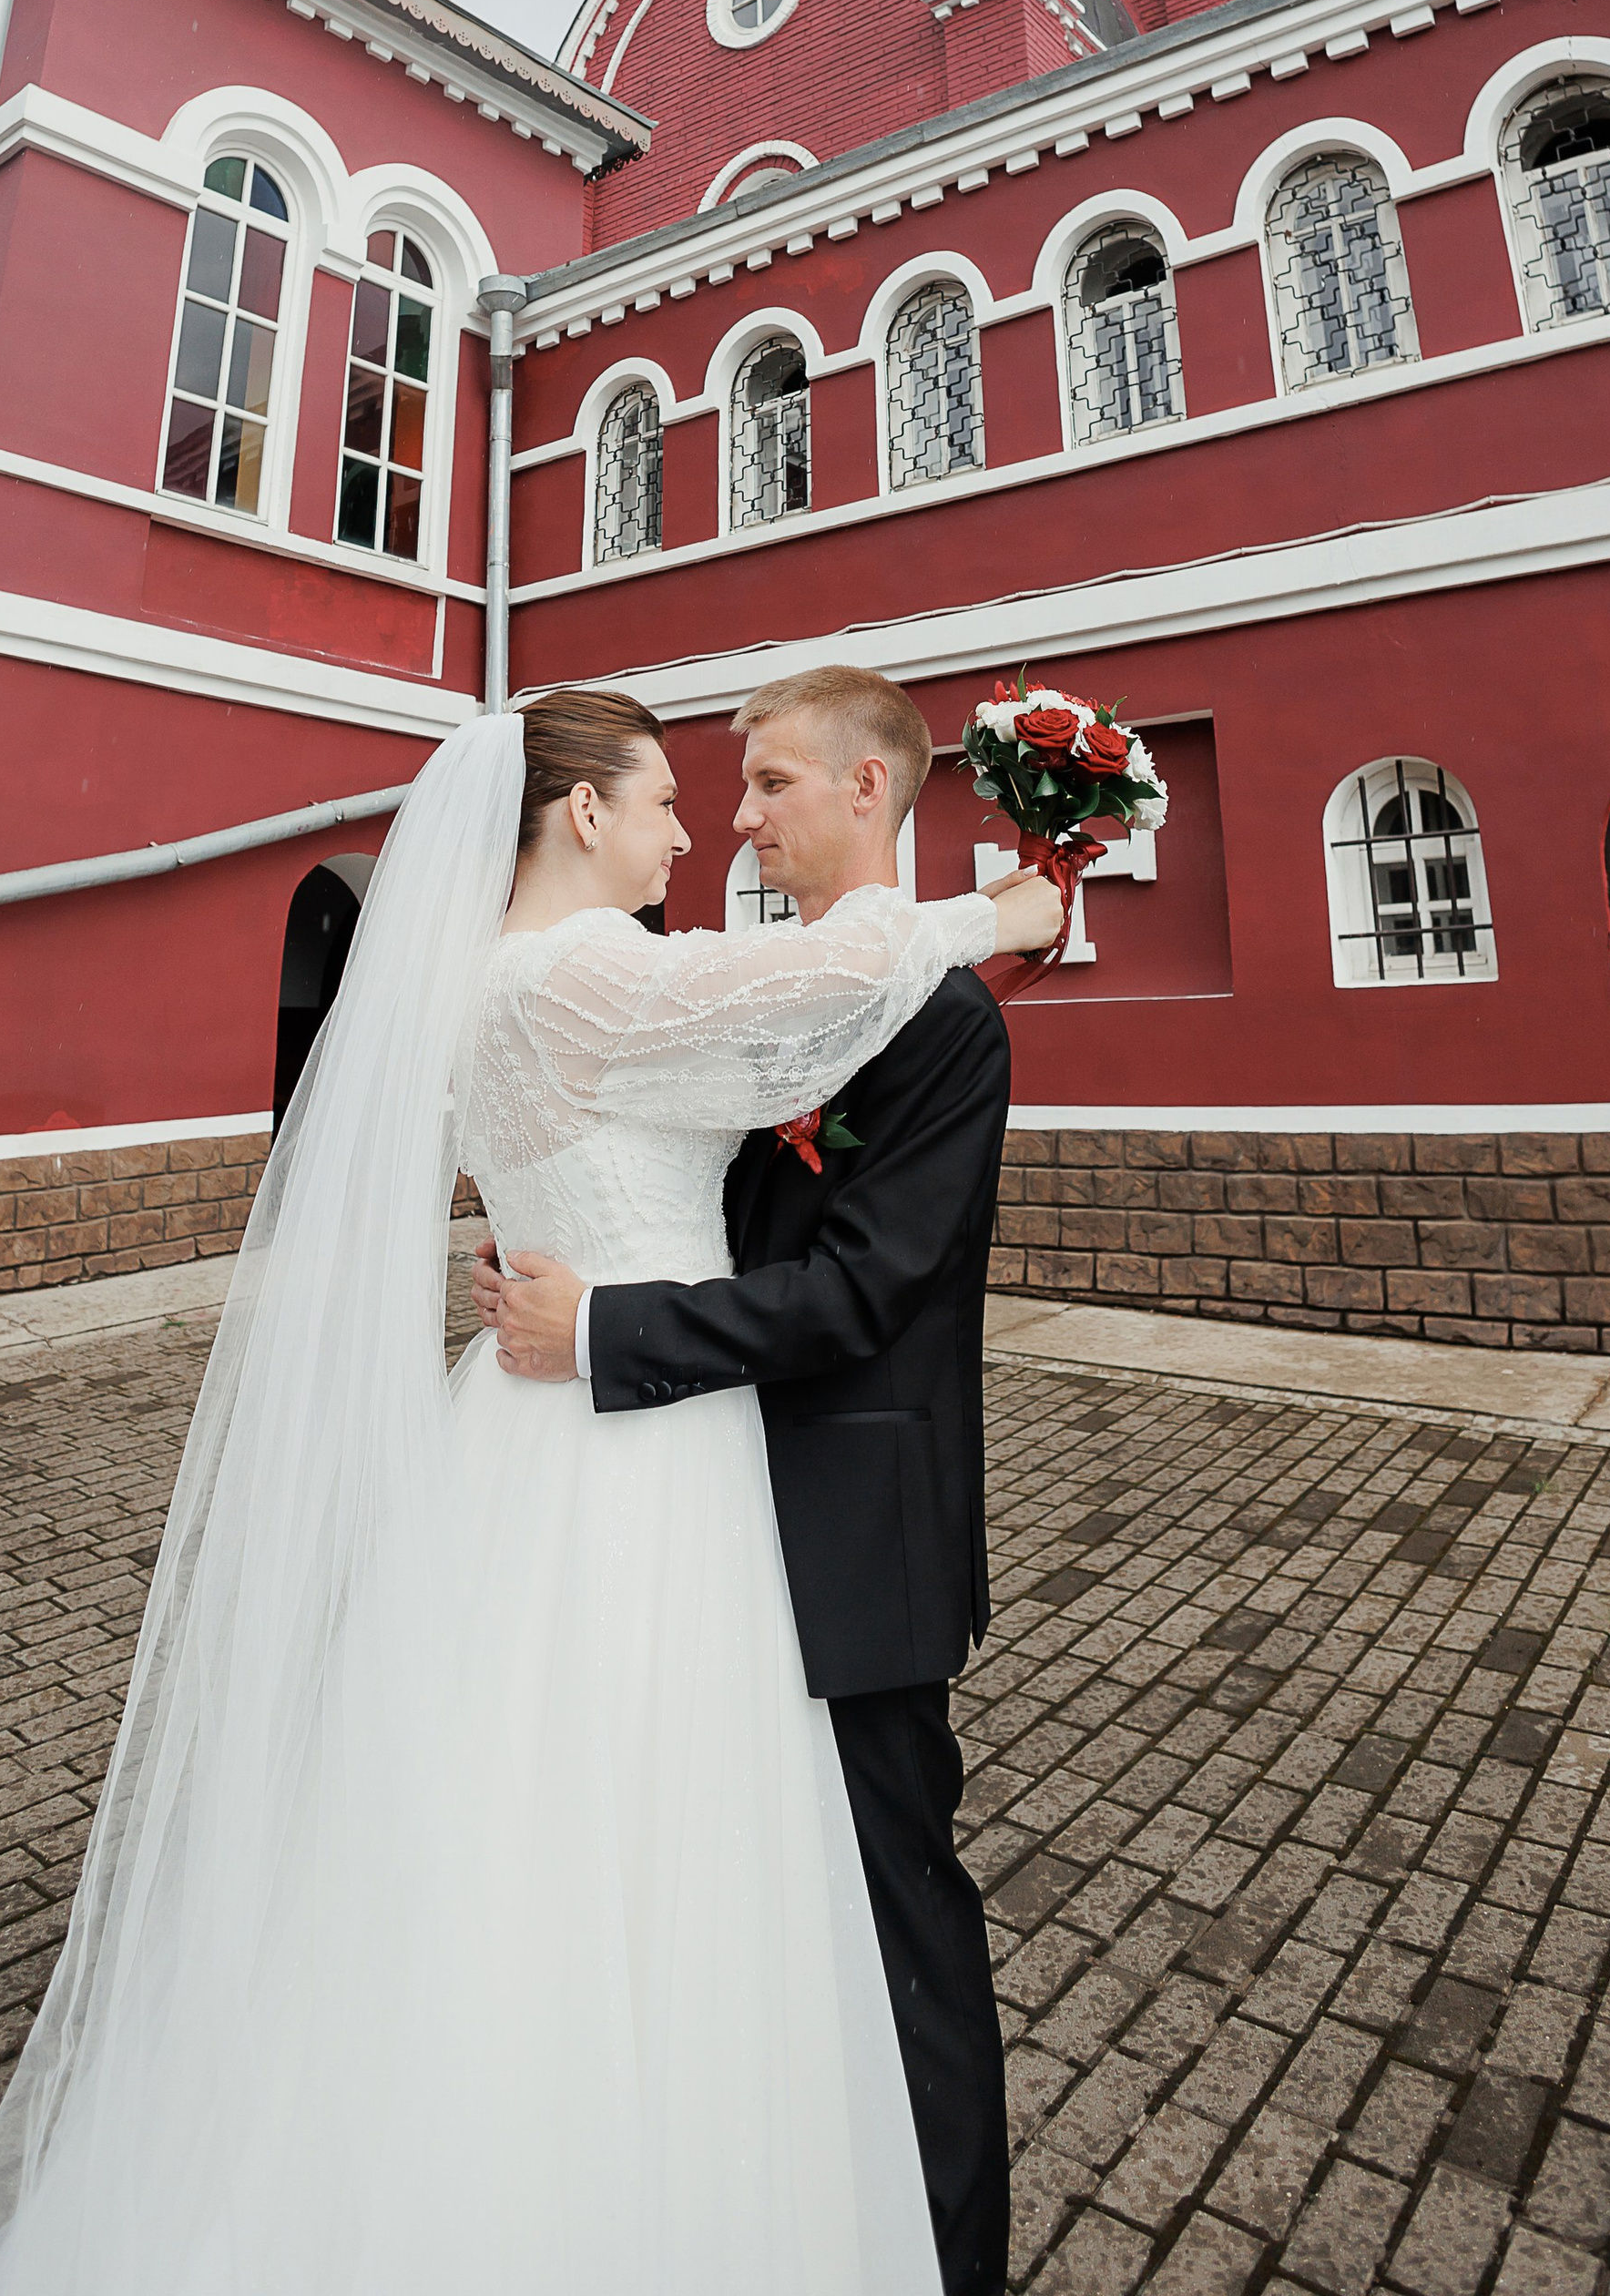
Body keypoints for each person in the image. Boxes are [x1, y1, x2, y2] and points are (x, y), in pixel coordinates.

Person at [0, 684, 1060, 2296]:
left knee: (489, 1823)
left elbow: (779, 1143)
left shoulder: (495, 987)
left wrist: (590, 1302)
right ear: (580, 813)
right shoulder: (602, 974)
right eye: (671, 794)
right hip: (640, 1462)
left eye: (735, 787)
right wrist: (997, 906)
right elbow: (822, 981)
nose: (698, 825)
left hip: (557, 1437)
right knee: (648, 1842)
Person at [480, 664, 1025, 2296]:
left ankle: (942, 2259)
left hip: (847, 1533)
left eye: (771, 784)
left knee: (895, 1928)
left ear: (867, 789)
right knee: (704, 1917)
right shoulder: (704, 984)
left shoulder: (941, 1021)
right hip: (684, 1517)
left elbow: (864, 1291)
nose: (736, 817)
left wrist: (598, 1324)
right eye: (713, 790)